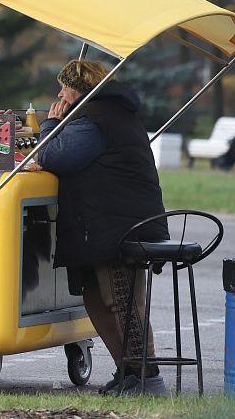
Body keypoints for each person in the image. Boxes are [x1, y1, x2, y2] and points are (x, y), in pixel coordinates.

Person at [37, 59, 169, 396]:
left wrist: (51, 123)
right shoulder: (107, 113)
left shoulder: (94, 118)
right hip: (110, 222)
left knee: (119, 299)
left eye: (64, 87)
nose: (59, 94)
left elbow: (54, 156)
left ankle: (146, 376)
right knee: (98, 299)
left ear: (78, 89)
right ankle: (129, 370)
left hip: (119, 226)